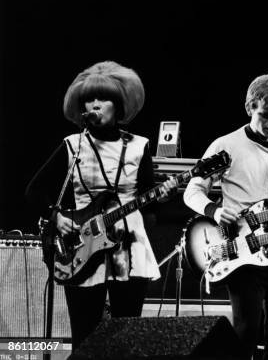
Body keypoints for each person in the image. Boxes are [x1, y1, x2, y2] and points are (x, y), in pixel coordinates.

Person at [25, 61, 175, 349]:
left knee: (126, 333)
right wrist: (56, 218)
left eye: (102, 98)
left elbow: (147, 197)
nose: (94, 105)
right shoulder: (73, 144)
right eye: (88, 100)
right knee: (84, 335)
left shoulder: (138, 145)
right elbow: (34, 191)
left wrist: (163, 194)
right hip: (81, 241)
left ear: (118, 105)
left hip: (128, 244)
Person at [183, 74, 268, 360]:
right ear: (250, 108)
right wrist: (216, 210)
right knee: (245, 332)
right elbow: (192, 192)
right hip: (242, 247)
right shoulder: (226, 145)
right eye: (264, 115)